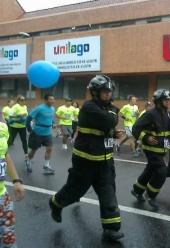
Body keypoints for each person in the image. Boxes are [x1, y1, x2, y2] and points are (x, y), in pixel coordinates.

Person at [49, 75, 124, 242]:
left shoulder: (106, 108)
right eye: (105, 91)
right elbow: (109, 120)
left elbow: (106, 126)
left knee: (108, 192)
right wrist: (113, 116)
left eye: (109, 91)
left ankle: (111, 229)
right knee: (75, 191)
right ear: (95, 92)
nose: (108, 94)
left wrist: (113, 132)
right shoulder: (89, 107)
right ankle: (55, 203)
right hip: (85, 162)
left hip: (105, 161)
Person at [131, 89, 170, 210]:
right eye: (166, 100)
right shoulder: (150, 114)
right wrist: (146, 137)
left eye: (168, 100)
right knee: (161, 171)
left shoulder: (168, 114)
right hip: (151, 149)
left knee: (150, 170)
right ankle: (150, 195)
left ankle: (137, 190)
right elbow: (135, 129)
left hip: (161, 149)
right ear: (159, 101)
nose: (168, 102)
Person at [0, 121, 25, 248]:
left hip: (2, 199)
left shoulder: (2, 128)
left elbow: (4, 154)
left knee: (9, 238)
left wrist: (16, 180)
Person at [26, 94, 56, 174]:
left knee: (49, 149)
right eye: (51, 99)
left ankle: (46, 165)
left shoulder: (52, 108)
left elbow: (50, 118)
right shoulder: (39, 108)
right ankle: (28, 160)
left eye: (53, 99)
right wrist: (29, 129)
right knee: (34, 150)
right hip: (38, 132)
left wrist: (53, 123)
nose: (53, 101)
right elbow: (28, 118)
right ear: (46, 100)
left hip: (48, 133)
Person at [7, 96, 29, 164]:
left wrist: (25, 117)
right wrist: (19, 116)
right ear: (18, 100)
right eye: (22, 100)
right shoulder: (15, 107)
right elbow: (10, 116)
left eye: (24, 99)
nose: (23, 101)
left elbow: (26, 116)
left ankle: (26, 155)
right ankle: (2, 154)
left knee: (24, 140)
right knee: (10, 140)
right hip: (14, 127)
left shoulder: (25, 107)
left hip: (22, 126)